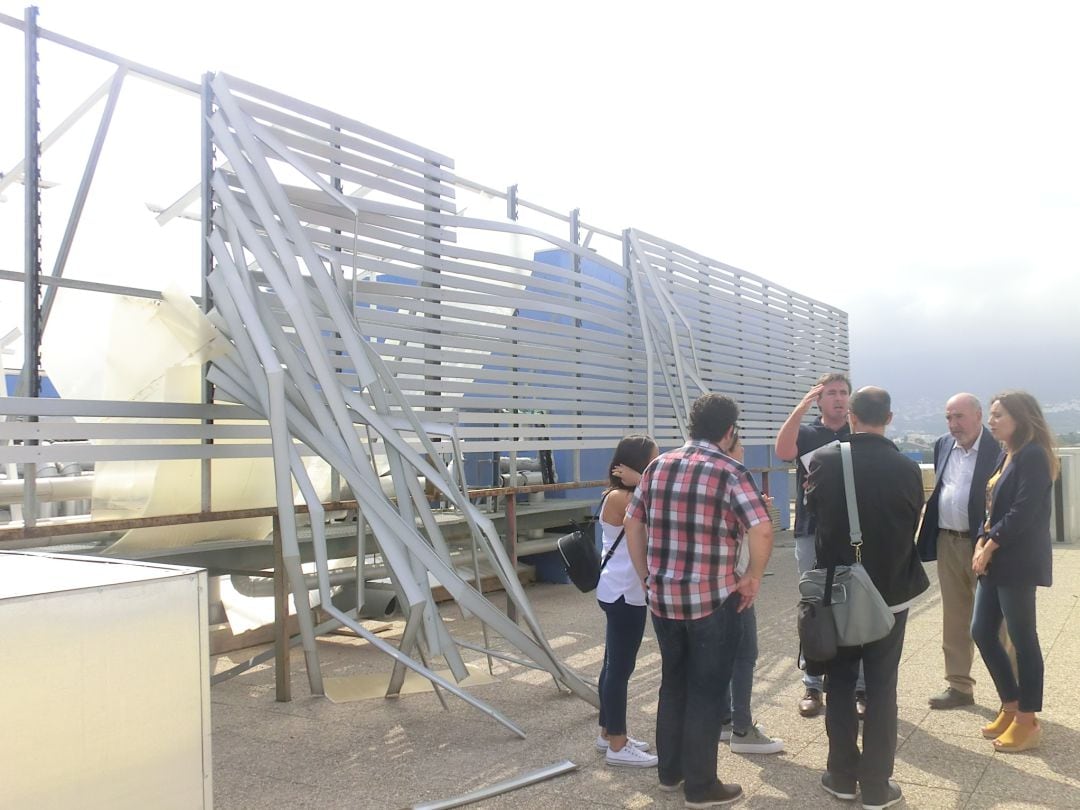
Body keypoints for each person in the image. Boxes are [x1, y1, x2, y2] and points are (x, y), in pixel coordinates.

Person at [626, 393, 773, 808]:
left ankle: (670, 773)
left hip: (663, 599)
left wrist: (644, 575)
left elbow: (631, 521)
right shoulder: (730, 470)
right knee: (707, 690)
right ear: (729, 432)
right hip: (712, 598)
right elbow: (761, 529)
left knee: (673, 683)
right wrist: (752, 577)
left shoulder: (658, 466)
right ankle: (701, 786)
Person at [807, 387, 928, 810]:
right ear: (889, 418)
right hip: (891, 593)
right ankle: (877, 786)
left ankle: (841, 777)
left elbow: (815, 518)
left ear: (852, 416)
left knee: (838, 682)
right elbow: (913, 523)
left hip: (839, 591)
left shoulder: (822, 460)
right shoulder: (907, 468)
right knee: (881, 687)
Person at [971, 391, 1058, 753]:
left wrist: (989, 545)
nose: (991, 421)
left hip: (1017, 561)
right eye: (991, 415)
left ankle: (1027, 720)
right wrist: (980, 539)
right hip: (996, 558)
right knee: (982, 631)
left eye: (997, 415)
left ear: (1020, 418)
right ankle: (1010, 704)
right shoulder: (1007, 454)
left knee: (1023, 640)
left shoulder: (1034, 454)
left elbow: (1023, 511)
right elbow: (991, 505)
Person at [916, 393, 1011, 709]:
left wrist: (988, 542)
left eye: (959, 416)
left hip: (985, 546)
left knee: (997, 622)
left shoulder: (997, 448)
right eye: (948, 417)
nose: (953, 424)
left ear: (979, 414)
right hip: (948, 542)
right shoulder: (944, 444)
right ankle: (959, 686)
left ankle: (1012, 693)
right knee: (955, 618)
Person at [775, 372, 861, 718]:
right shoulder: (808, 432)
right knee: (813, 606)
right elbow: (783, 451)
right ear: (820, 400)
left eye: (844, 393)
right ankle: (812, 683)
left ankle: (860, 686)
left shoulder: (860, 432)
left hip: (854, 532)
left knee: (856, 604)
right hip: (812, 529)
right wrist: (800, 407)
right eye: (831, 393)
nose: (839, 398)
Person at [595, 434, 660, 768]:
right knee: (620, 668)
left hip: (618, 589)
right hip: (625, 591)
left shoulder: (624, 494)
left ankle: (608, 731)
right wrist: (643, 482)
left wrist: (641, 481)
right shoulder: (623, 497)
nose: (658, 465)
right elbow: (657, 513)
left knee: (612, 665)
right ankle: (618, 746)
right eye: (653, 460)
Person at [718, 432, 784, 755]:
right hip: (737, 579)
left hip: (711, 583)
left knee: (721, 654)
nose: (743, 451)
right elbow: (761, 531)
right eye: (740, 446)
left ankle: (724, 718)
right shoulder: (733, 478)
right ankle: (742, 727)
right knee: (745, 653)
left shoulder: (702, 478)